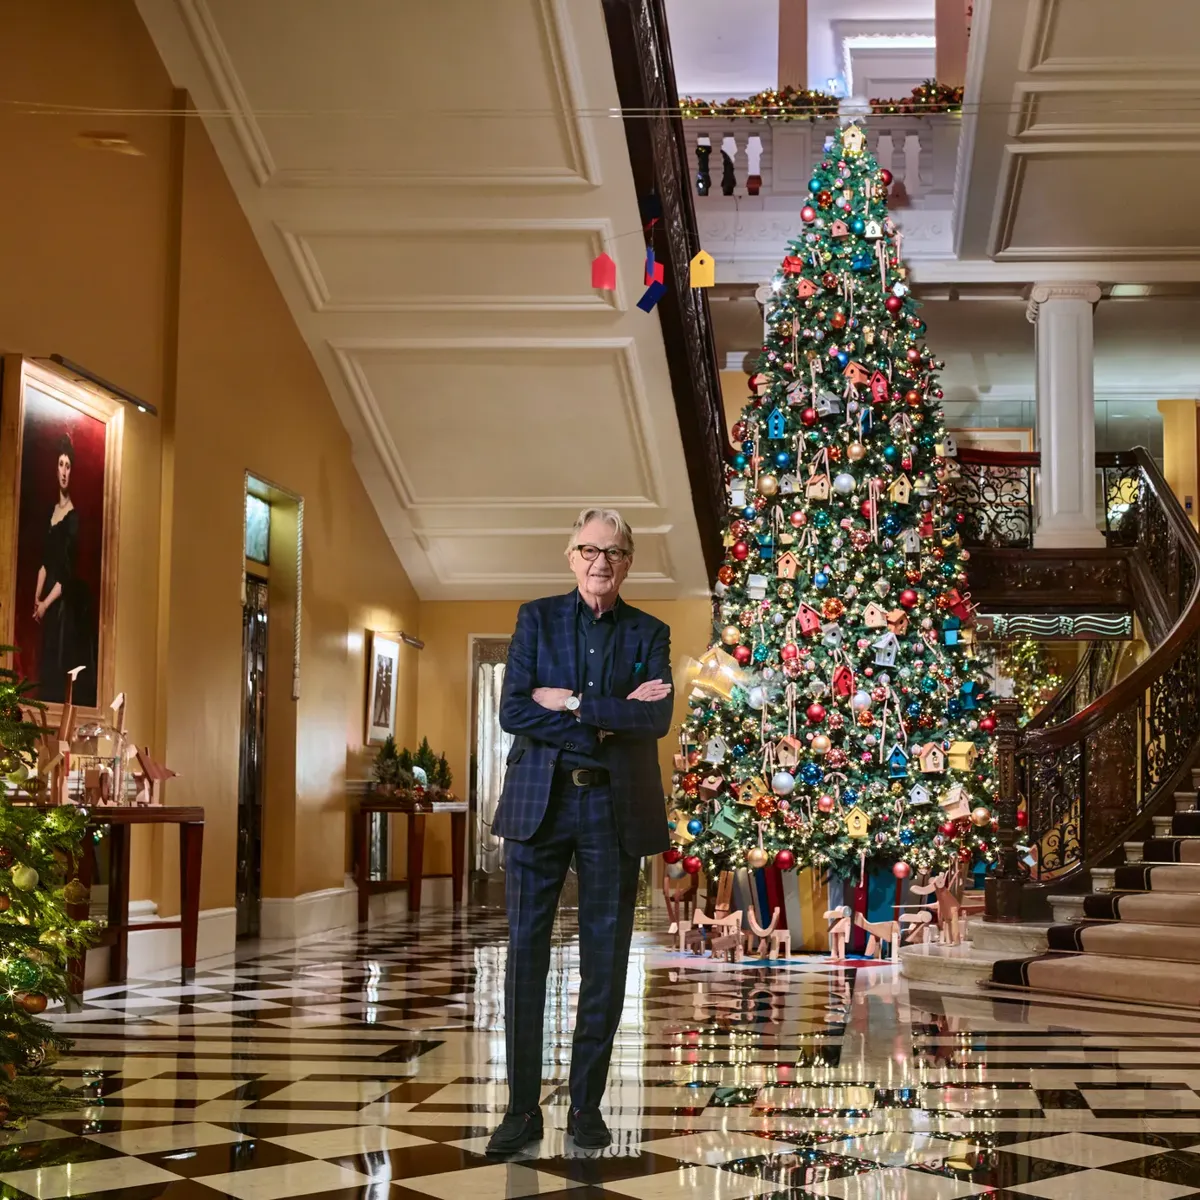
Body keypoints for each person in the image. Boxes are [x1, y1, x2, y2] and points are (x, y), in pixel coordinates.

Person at [487, 508, 673, 1154]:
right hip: (540, 805)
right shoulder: (535, 619)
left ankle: (587, 1107)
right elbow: (513, 709)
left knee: (605, 962)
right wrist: (607, 719)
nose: (602, 562)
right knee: (525, 961)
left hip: (611, 810)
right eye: (590, 550)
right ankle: (519, 1111)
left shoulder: (651, 633)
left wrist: (565, 702)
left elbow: (656, 720)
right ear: (571, 556)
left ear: (628, 563)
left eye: (615, 553)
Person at [32, 434, 80, 704]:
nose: (64, 471)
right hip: (46, 603)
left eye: (68, 466)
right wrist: (36, 598)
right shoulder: (52, 513)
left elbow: (64, 573)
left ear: (72, 471)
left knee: (55, 665)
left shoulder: (73, 518)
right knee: (42, 663)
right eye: (61, 464)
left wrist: (46, 603)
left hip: (59, 605)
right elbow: (44, 562)